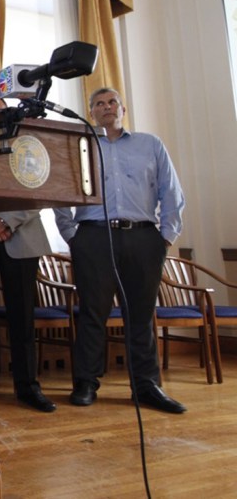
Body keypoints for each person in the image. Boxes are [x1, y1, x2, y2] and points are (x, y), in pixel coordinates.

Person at [55, 87, 186, 414]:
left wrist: (164, 238)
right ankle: (86, 382)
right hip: (93, 238)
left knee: (141, 317)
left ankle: (146, 386)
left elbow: (172, 193)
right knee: (92, 315)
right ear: (92, 113)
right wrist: (73, 236)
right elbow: (60, 192)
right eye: (98, 104)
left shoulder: (151, 144)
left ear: (122, 108)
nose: (106, 107)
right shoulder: (80, 147)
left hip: (143, 238)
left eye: (111, 101)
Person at [0, 95, 56, 412]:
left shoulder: (28, 145)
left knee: (22, 318)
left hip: (20, 238)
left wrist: (5, 221)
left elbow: (39, 189)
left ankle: (28, 387)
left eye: (1, 112)